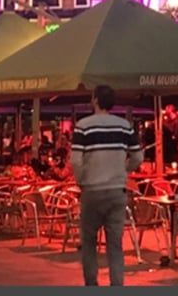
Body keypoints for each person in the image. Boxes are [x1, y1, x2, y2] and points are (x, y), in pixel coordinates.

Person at [71, 85, 143, 287]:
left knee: (89, 243)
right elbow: (138, 156)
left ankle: (92, 283)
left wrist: (81, 180)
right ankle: (117, 284)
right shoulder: (124, 126)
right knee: (115, 245)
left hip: (92, 190)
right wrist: (123, 170)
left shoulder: (83, 126)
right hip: (116, 191)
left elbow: (76, 160)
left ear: (95, 100)